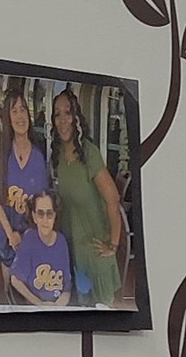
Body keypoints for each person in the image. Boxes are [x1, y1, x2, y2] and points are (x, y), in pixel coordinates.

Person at [50, 87, 129, 307]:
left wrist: (112, 245)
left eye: (68, 112)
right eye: (58, 114)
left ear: (76, 118)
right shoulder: (57, 156)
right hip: (74, 252)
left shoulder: (89, 152)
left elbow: (113, 200)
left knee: (105, 319)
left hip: (95, 252)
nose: (63, 120)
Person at [0, 90, 52, 284]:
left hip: (32, 235)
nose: (20, 116)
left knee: (29, 287)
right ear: (8, 117)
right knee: (9, 288)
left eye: (23, 109)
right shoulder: (1, 152)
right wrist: (11, 235)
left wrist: (29, 235)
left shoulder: (39, 155)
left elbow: (42, 201)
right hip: (7, 238)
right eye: (14, 111)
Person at [6, 187, 74, 309]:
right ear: (34, 217)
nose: (45, 220)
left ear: (55, 216)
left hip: (57, 307)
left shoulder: (62, 242)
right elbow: (15, 280)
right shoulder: (29, 240)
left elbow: (66, 290)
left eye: (49, 214)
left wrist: (57, 307)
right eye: (40, 214)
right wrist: (39, 304)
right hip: (34, 307)